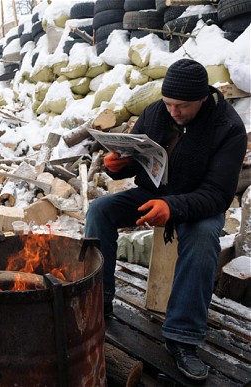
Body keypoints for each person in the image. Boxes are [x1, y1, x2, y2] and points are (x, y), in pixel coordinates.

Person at [85, 59, 246, 381]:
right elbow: (138, 159)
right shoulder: (156, 111)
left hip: (199, 204)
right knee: (100, 210)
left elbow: (218, 194)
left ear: (203, 98)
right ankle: (98, 303)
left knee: (201, 241)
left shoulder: (228, 128)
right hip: (153, 195)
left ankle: (182, 338)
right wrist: (118, 165)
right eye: (169, 103)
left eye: (182, 106)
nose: (173, 111)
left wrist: (173, 208)